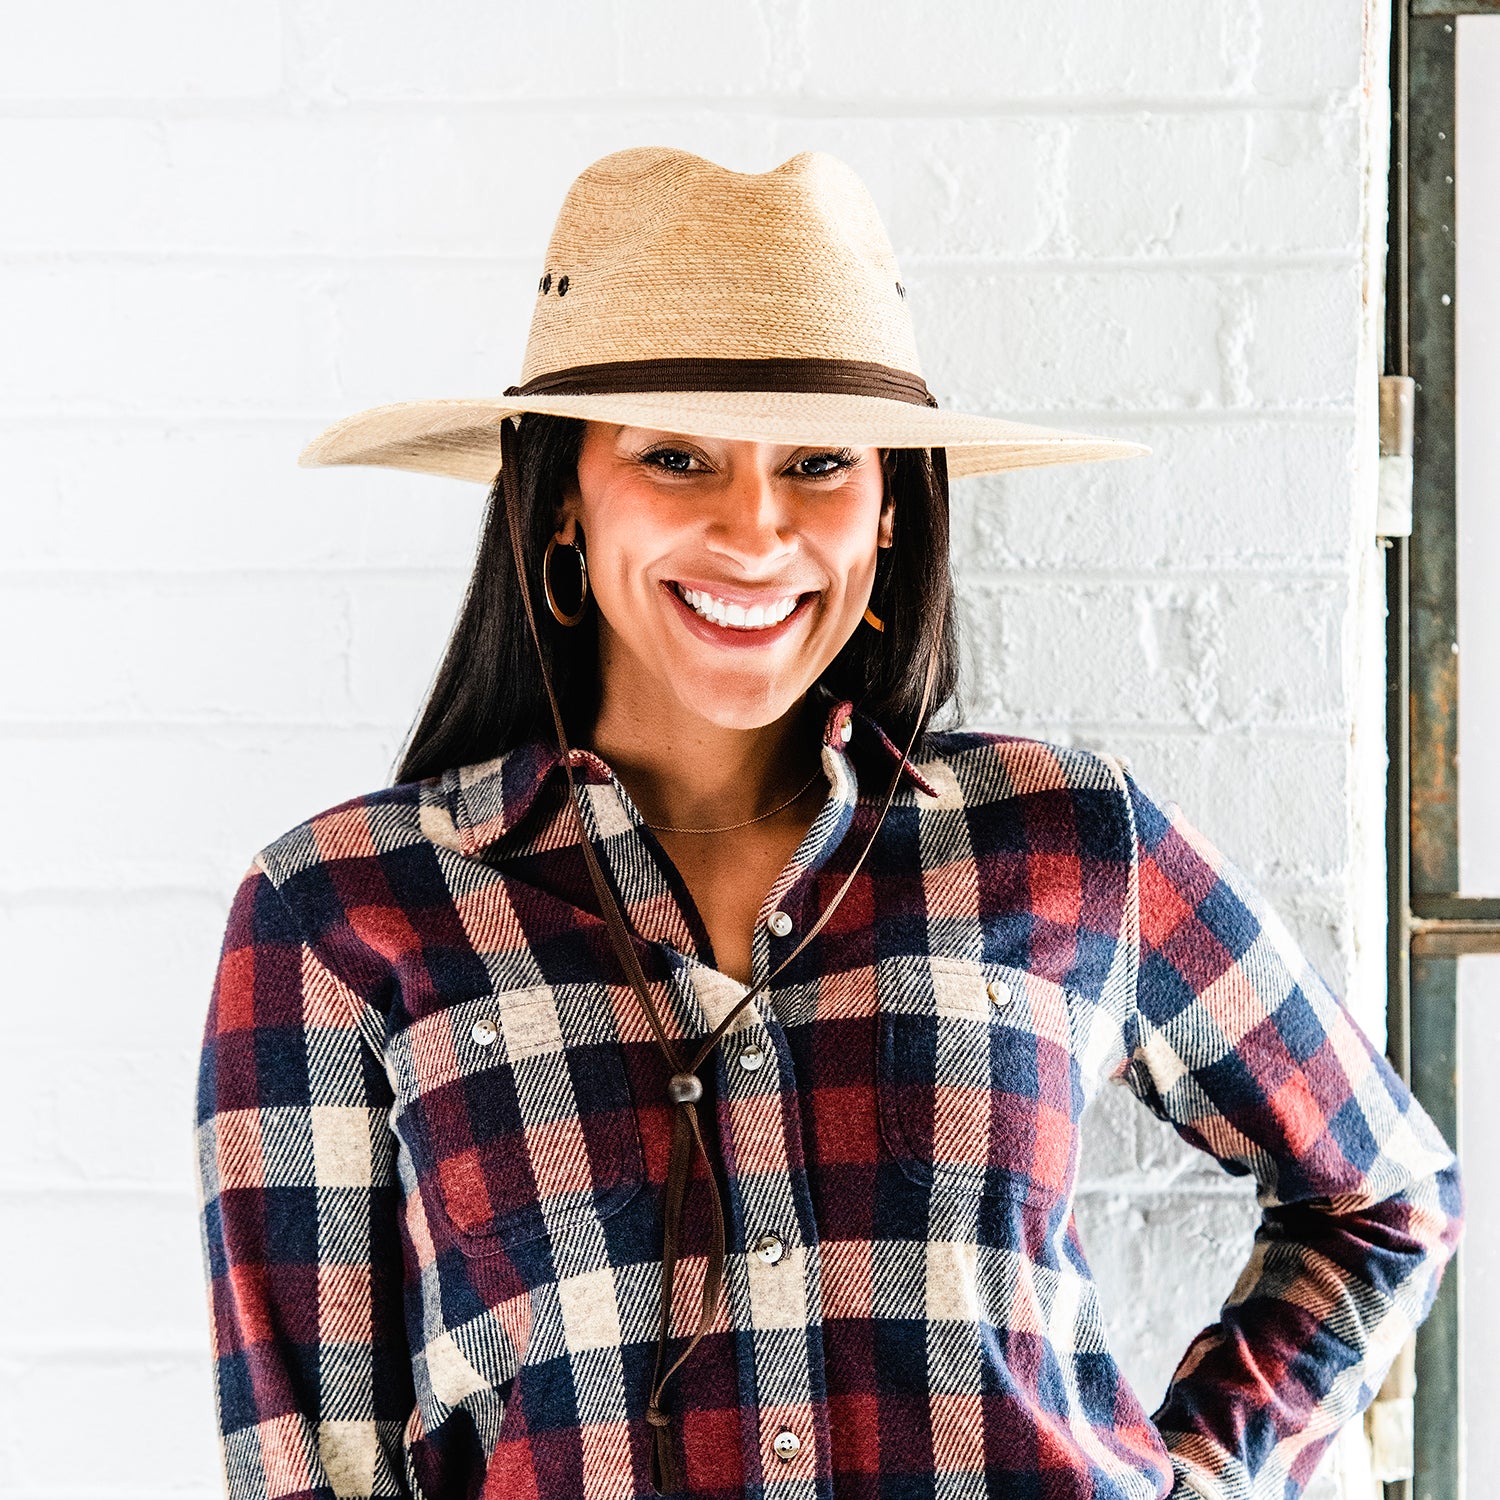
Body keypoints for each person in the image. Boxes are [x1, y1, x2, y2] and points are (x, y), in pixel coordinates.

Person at [194, 147, 1461, 1500]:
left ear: (890, 513)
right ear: (562, 490)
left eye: (817, 463)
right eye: (675, 457)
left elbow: (1382, 1195)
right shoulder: (339, 914)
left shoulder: (1074, 841)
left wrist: (1204, 1474)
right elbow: (310, 1466)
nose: (754, 529)